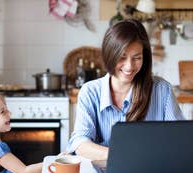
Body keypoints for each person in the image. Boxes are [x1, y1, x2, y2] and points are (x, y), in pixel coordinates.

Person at [66, 19, 185, 160]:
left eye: (137, 58)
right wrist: (123, 156)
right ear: (109, 55)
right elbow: (81, 144)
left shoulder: (162, 90)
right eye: (122, 57)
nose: (129, 66)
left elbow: (179, 140)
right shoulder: (90, 92)